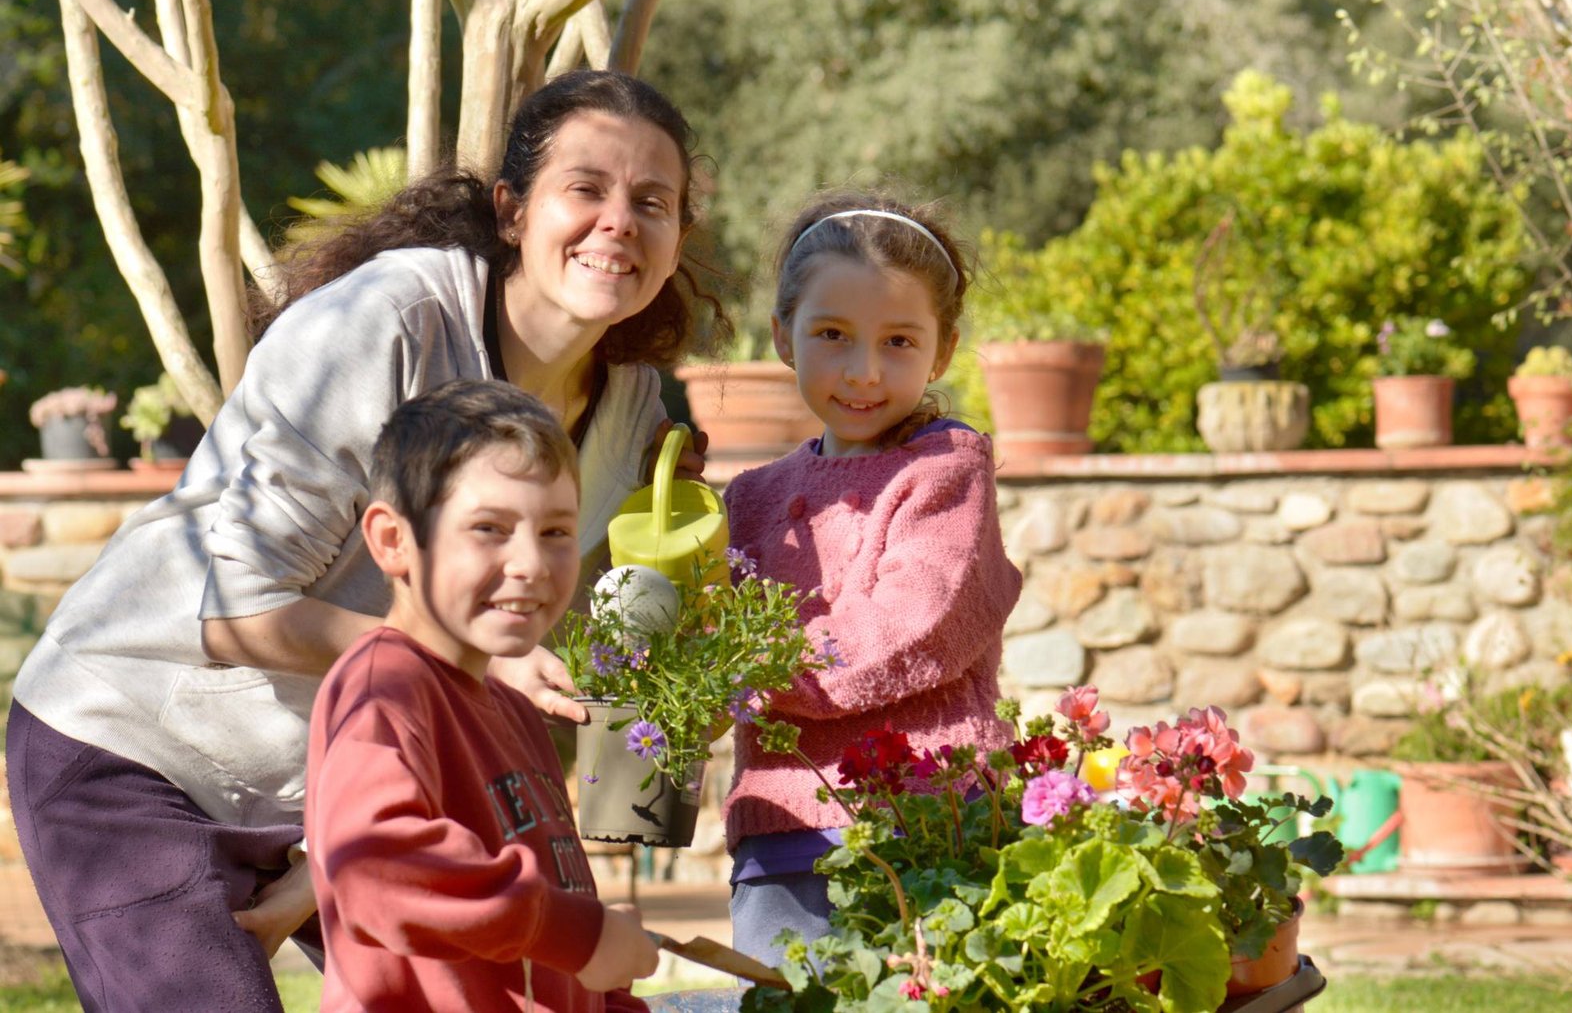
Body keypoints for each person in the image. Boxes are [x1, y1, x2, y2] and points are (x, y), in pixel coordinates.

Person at [4, 69, 723, 1011]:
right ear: (511, 209)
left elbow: (550, 634)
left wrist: (330, 861)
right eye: (586, 189)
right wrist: (470, 663)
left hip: (338, 782)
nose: (619, 221)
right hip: (135, 742)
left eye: (652, 202)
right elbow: (237, 613)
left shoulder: (631, 408)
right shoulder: (386, 321)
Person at [720, 191, 1024, 963]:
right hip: (781, 834)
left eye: (898, 341)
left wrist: (746, 668)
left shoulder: (947, 470)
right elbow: (698, 629)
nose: (864, 371)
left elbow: (909, 625)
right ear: (782, 336)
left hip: (923, 830)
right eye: (832, 335)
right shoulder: (750, 498)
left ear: (943, 350)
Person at [307, 380, 657, 1012]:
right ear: (392, 541)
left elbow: (557, 916)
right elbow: (376, 866)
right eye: (490, 528)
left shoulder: (517, 715)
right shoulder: (383, 689)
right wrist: (580, 935)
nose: (530, 562)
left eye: (556, 531)